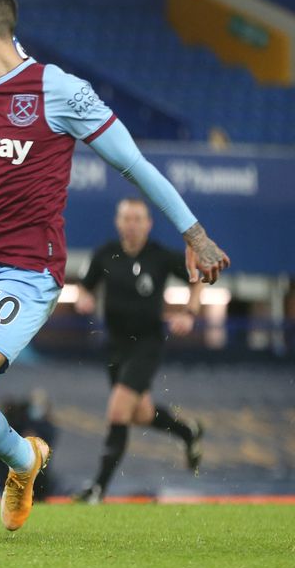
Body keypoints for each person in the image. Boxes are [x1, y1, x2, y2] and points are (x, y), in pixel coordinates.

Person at [0, 0, 230, 547]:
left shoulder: (55, 90)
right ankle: (24, 456)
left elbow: (134, 163)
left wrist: (193, 232)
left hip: (26, 271)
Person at [72, 198, 206, 503]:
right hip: (115, 346)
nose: (132, 225)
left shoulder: (159, 256)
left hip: (147, 344)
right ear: (118, 223)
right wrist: (83, 298)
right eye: (127, 219)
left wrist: (189, 312)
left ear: (149, 224)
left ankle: (97, 489)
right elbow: (84, 286)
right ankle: (187, 432)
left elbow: (198, 279)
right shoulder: (105, 254)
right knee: (141, 413)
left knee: (118, 410)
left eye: (138, 219)